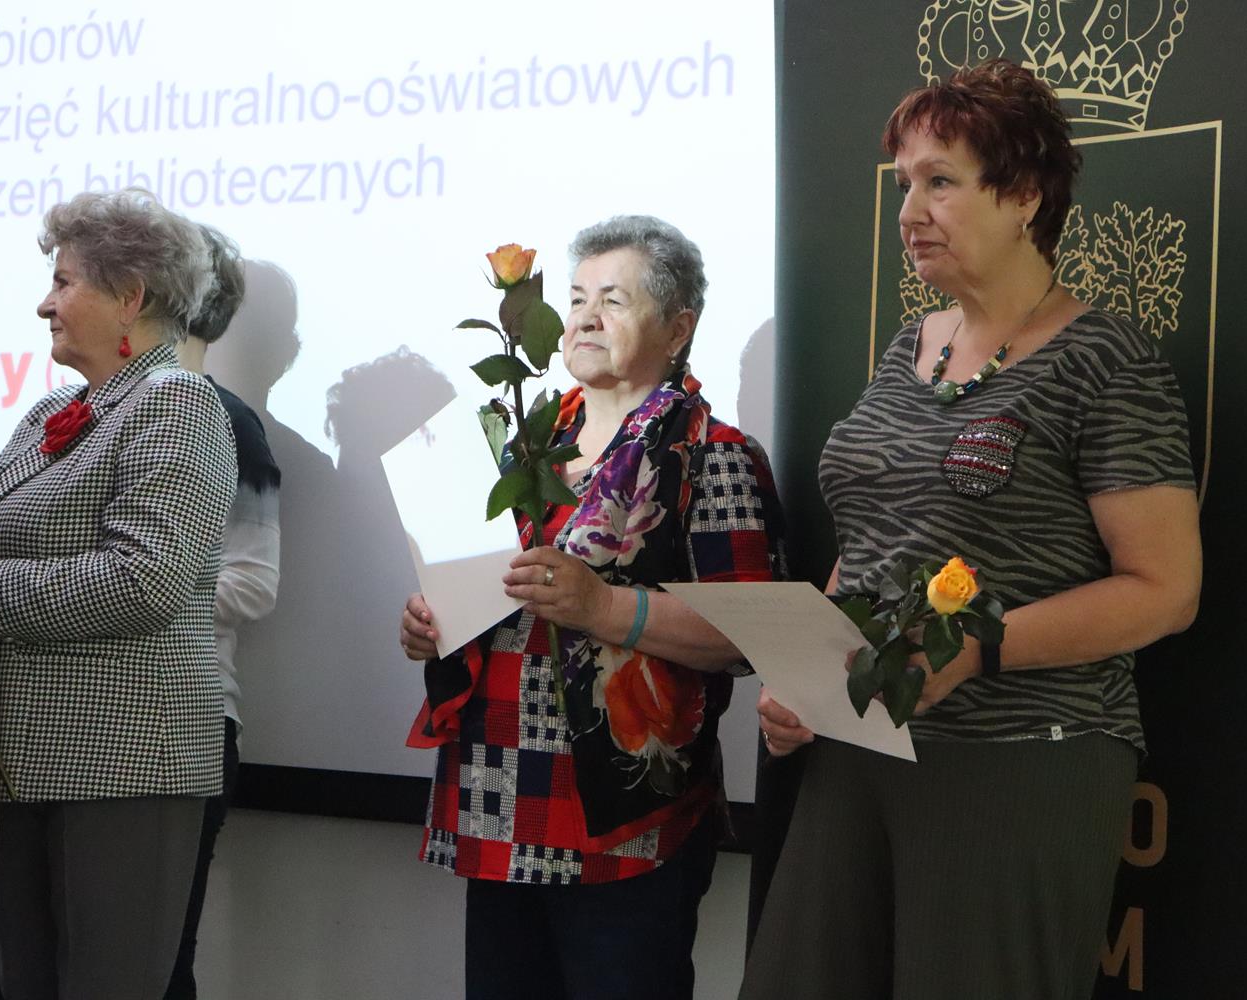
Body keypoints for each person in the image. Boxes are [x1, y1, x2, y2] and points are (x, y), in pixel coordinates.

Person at [742, 60, 1203, 1000]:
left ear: (1026, 195)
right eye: (905, 185)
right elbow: (873, 538)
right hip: (862, 746)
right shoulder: (907, 347)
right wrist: (808, 682)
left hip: (1022, 757)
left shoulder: (1106, 362)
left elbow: (1166, 591)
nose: (910, 211)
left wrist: (972, 655)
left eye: (940, 182)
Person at [399, 215, 786, 1000]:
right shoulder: (522, 444)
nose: (583, 318)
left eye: (614, 300)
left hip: (623, 824)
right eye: (577, 298)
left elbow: (752, 637)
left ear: (678, 328)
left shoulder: (713, 455)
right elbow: (490, 598)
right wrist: (434, 625)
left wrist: (605, 607)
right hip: (501, 798)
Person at [0, 189, 237, 1000]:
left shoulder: (178, 402)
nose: (45, 304)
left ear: (130, 297)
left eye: (64, 281)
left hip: (125, 766)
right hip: (22, 763)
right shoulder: (55, 411)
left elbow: (144, 579)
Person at [164, 224, 282, 1000]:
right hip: (66, 727)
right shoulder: (74, 411)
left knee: (150, 973)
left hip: (182, 723)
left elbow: (252, 585)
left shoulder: (227, 422)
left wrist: (120, 588)